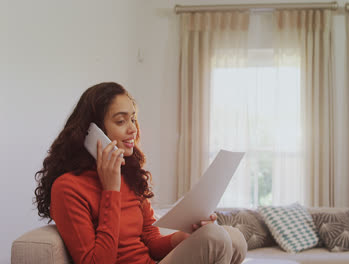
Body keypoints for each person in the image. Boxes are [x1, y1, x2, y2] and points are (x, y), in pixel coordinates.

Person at [34, 82, 247, 264]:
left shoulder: (129, 174)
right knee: (215, 238)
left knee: (234, 237)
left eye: (133, 119)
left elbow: (152, 242)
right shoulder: (67, 187)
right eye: (120, 121)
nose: (133, 129)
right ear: (93, 132)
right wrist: (111, 190)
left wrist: (187, 237)